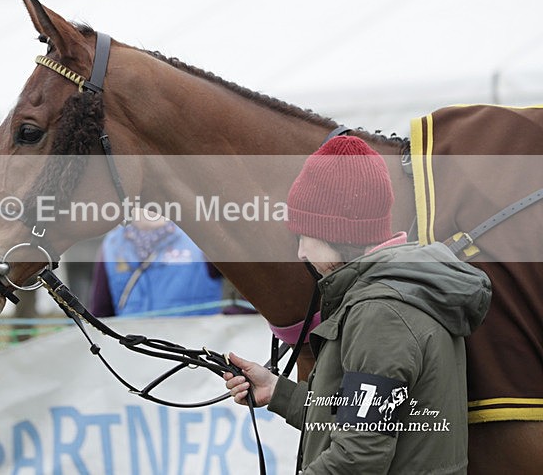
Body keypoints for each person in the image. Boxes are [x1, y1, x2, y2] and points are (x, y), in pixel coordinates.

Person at [223, 136, 491, 474]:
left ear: (338, 233)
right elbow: (360, 419)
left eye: (305, 235)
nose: (301, 252)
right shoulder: (400, 291)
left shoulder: (381, 314)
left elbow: (358, 457)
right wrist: (277, 392)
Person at [89, 209, 222, 317]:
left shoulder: (200, 237)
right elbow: (101, 314)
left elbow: (242, 291)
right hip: (133, 348)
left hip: (192, 346)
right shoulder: (112, 246)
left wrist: (227, 321)